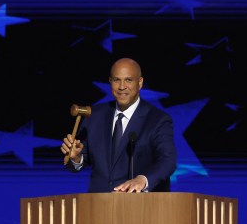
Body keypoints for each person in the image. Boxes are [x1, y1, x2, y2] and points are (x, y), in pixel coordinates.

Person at [61, 58, 176, 192]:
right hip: (98, 205)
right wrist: (76, 158)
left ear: (140, 82)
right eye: (116, 80)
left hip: (141, 206)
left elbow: (167, 161)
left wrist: (143, 180)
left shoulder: (158, 120)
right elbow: (81, 159)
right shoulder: (95, 115)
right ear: (110, 82)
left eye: (128, 80)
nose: (122, 86)